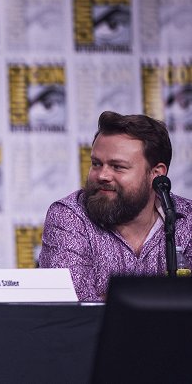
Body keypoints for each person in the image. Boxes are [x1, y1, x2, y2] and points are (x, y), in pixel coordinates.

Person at [39, 111, 192, 301]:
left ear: (156, 173)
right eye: (96, 164)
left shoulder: (187, 219)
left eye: (117, 166)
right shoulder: (69, 216)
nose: (102, 175)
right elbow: (76, 310)